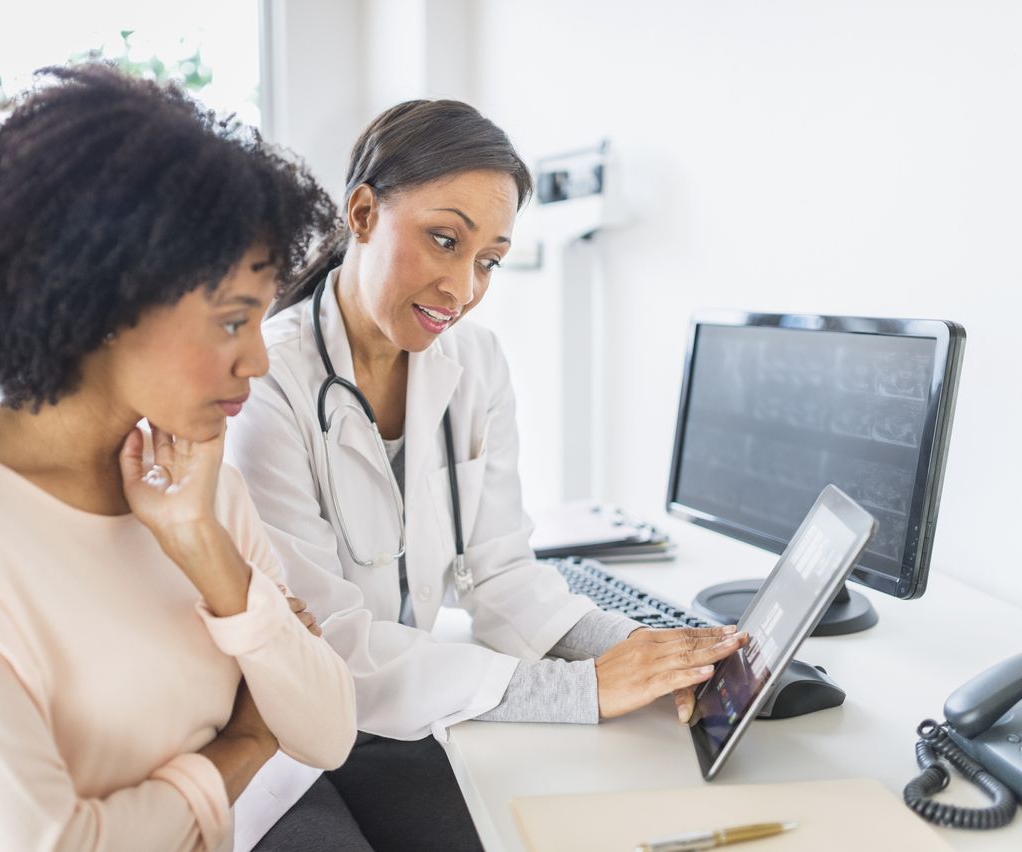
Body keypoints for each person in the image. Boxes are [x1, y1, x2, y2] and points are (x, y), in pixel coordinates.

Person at [226, 99, 747, 850]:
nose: (463, 288)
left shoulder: (476, 365)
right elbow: (329, 649)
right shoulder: (265, 385)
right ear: (364, 213)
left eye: (489, 260)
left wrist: (656, 654)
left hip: (399, 719)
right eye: (445, 240)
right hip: (278, 742)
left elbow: (503, 575)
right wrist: (583, 689)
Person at [0, 63, 356, 851]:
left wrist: (201, 546)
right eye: (232, 321)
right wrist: (237, 749)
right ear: (102, 300)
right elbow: (48, 843)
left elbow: (328, 729)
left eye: (261, 322)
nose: (259, 362)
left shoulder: (197, 482)